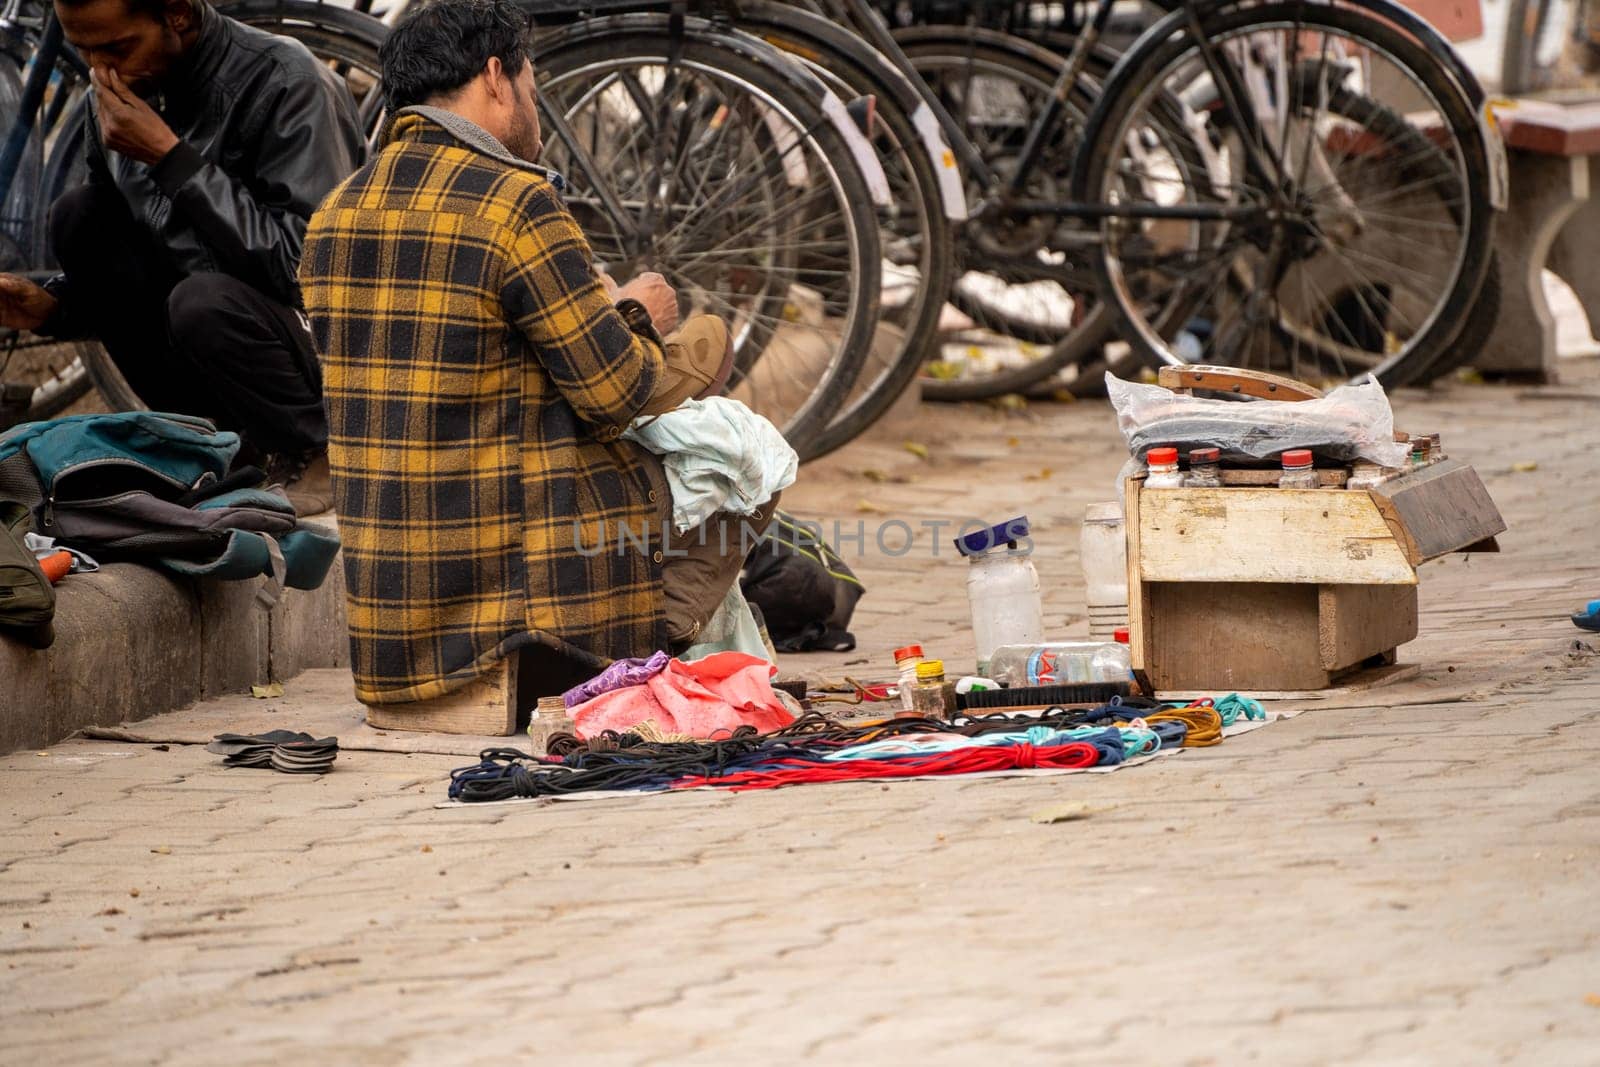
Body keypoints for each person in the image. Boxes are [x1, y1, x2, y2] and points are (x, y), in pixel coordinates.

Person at [299, 0, 775, 708]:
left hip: (390, 636)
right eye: (531, 84)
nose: (535, 107)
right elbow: (614, 390)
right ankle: (653, 646)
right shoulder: (516, 203)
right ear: (496, 77)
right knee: (741, 445)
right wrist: (639, 311)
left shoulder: (336, 212)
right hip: (520, 627)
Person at [0, 0, 365, 515]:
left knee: (202, 302)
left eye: (118, 48)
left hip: (324, 361)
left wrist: (173, 160)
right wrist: (50, 308)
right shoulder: (111, 95)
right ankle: (211, 442)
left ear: (176, 13)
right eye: (84, 51)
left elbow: (310, 272)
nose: (101, 71)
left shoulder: (287, 81)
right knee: (79, 216)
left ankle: (314, 449)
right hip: (214, 333)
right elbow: (146, 269)